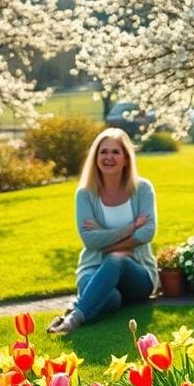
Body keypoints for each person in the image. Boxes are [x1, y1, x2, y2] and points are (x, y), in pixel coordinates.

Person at [48, 128, 158, 334]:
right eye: (103, 152)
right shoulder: (85, 194)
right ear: (96, 157)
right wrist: (132, 227)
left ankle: (74, 316)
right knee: (113, 298)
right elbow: (90, 241)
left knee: (115, 259)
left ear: (126, 158)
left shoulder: (142, 189)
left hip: (138, 275)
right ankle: (94, 300)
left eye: (115, 152)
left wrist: (106, 243)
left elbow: (148, 232)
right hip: (92, 268)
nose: (109, 157)